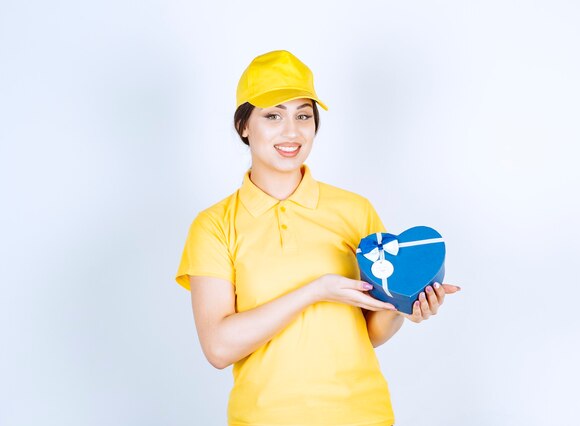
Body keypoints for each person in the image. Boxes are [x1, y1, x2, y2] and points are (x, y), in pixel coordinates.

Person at [175, 49, 460, 426]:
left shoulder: (354, 210)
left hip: (362, 414)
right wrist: (315, 291)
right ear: (244, 126)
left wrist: (405, 306)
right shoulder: (213, 226)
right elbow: (218, 347)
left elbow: (369, 331)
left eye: (303, 115)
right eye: (273, 115)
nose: (291, 131)